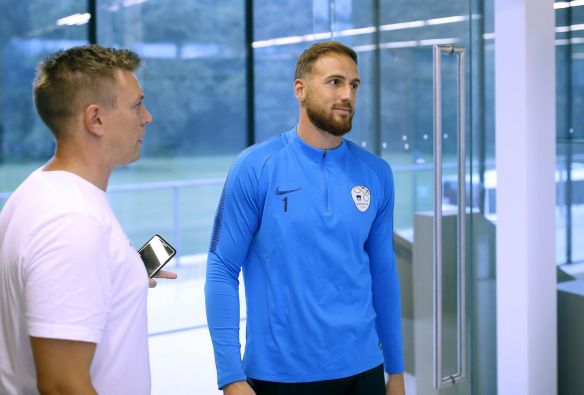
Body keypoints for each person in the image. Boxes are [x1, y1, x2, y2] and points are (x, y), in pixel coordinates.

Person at [205, 41, 405, 395]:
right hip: (279, 376)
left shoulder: (376, 173)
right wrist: (231, 377)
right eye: (334, 82)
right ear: (300, 89)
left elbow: (383, 271)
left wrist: (397, 369)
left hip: (364, 370)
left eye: (354, 85)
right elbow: (222, 268)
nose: (347, 94)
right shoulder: (255, 167)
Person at [0, 44, 176, 395]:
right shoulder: (74, 223)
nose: (147, 117)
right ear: (95, 119)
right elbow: (64, 386)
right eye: (137, 104)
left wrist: (120, 277)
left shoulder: (36, 193)